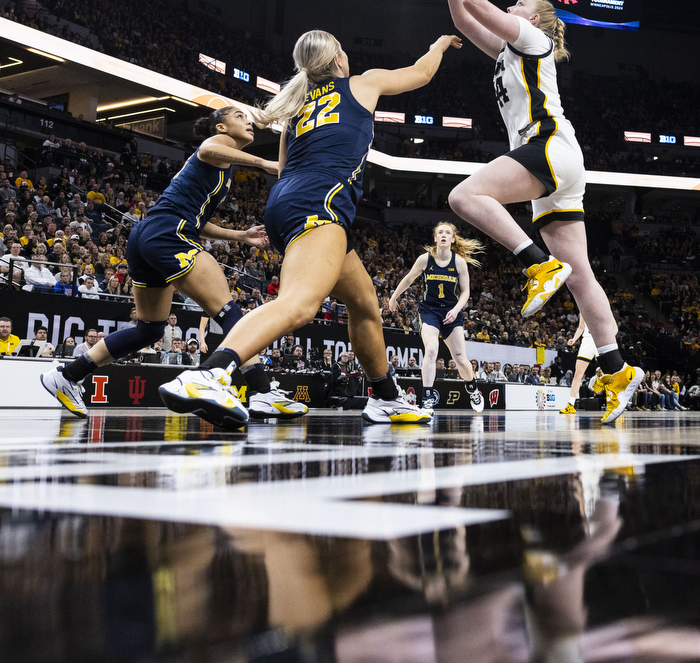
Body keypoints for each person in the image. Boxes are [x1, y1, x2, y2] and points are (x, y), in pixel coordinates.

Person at [160, 32, 460, 428]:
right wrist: (437, 45)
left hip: (286, 202)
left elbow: (283, 170)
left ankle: (387, 398)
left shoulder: (296, 108)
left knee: (365, 302)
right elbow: (422, 73)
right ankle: (210, 374)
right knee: (300, 304)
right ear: (338, 57)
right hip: (320, 202)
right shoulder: (362, 83)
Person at [431, 0, 644, 423]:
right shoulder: (510, 50)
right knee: (582, 277)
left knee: (463, 197)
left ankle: (535, 263)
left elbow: (478, 3)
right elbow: (464, 16)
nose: (512, 6)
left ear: (539, 20)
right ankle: (616, 369)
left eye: (521, 3)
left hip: (547, 145)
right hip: (562, 160)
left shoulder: (532, 38)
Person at [41, 107, 303, 421]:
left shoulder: (223, 165)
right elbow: (206, 148)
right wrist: (265, 163)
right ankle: (260, 392)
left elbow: (199, 222)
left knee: (149, 329)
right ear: (220, 126)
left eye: (248, 117)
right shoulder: (216, 148)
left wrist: (240, 235)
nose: (248, 121)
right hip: (167, 233)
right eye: (239, 116)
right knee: (229, 310)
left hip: (148, 235)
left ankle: (68, 375)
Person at [385, 221, 486, 413]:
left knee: (461, 361)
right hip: (430, 311)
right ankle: (428, 397)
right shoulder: (425, 259)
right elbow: (408, 279)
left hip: (451, 313)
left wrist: (456, 310)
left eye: (448, 232)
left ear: (452, 238)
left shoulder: (459, 262)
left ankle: (472, 389)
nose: (443, 235)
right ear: (435, 238)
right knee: (431, 350)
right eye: (440, 232)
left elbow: (465, 292)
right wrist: (393, 297)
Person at [561, 313, 598, 415]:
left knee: (607, 373)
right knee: (578, 374)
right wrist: (574, 339)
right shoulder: (582, 308)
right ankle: (571, 404)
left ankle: (614, 403)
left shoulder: (601, 303)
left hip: (601, 340)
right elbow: (581, 327)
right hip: (587, 341)